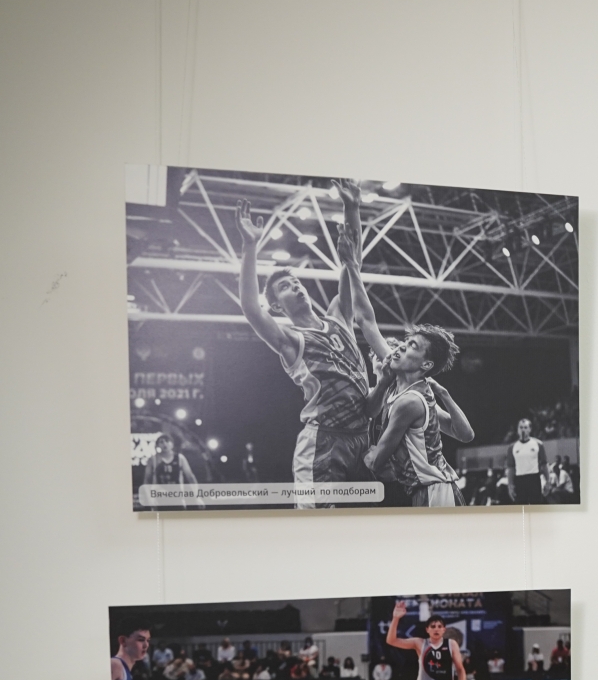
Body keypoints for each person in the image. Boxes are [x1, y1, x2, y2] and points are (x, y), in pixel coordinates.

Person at [233, 198, 374, 508]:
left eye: (296, 281)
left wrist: (352, 208)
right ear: (276, 305)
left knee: (361, 527)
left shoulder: (339, 317)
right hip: (324, 441)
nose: (295, 286)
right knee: (317, 528)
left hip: (362, 437)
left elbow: (352, 263)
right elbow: (251, 308)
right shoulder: (289, 339)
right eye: (285, 286)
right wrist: (250, 246)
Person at [361, 325, 466, 507]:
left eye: (412, 345)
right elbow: (368, 324)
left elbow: (375, 461)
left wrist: (355, 451)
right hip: (419, 490)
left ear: (425, 365)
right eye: (405, 342)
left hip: (434, 491)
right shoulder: (399, 387)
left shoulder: (411, 400)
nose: (401, 347)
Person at [384, 601, 466, 680]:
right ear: (427, 629)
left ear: (444, 630)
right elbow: (391, 641)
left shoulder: (451, 644)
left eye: (439, 626)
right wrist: (395, 618)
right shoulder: (420, 643)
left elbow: (460, 669)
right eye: (433, 626)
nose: (436, 629)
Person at [144, 433, 198, 505]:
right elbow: (147, 481)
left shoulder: (180, 458)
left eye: (167, 441)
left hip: (177, 498)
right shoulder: (153, 459)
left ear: (172, 444)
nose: (165, 444)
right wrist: (149, 498)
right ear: (158, 445)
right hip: (159, 499)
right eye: (161, 442)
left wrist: (197, 497)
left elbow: (190, 478)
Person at [508, 418, 547, 504]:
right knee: (521, 507)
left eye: (525, 427)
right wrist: (510, 485)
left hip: (534, 479)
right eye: (521, 427)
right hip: (519, 480)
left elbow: (544, 464)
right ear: (517, 430)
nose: (523, 430)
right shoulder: (512, 447)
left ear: (530, 429)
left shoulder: (538, 444)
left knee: (536, 507)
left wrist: (548, 482)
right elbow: (511, 468)